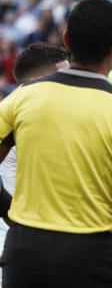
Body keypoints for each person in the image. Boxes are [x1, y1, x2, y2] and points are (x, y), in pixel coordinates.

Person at [0, 0, 112, 288]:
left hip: (23, 254)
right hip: (88, 257)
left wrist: (7, 208)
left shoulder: (21, 98)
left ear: (66, 40)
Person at [0, 43, 69, 284]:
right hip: (22, 249)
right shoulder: (12, 119)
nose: (73, 84)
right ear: (40, 81)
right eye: (65, 76)